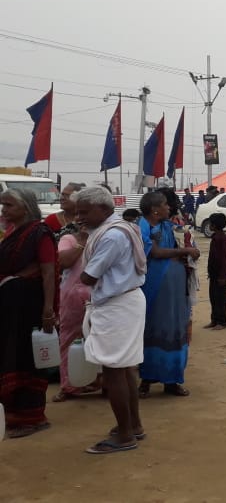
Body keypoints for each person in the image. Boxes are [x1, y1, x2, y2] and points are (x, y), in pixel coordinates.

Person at [76, 186, 148, 454]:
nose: (80, 217)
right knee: (124, 367)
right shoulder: (118, 229)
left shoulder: (111, 236)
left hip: (117, 304)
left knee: (113, 370)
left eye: (85, 212)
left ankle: (125, 435)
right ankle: (133, 426)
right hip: (124, 301)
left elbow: (88, 276)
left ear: (104, 209)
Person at [0, 188, 57, 439]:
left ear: (25, 207)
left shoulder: (39, 233)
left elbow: (48, 272)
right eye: (3, 205)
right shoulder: (11, 232)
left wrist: (48, 310)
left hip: (29, 307)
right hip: (10, 306)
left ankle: (32, 417)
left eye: (9, 205)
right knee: (9, 355)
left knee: (26, 358)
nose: (4, 210)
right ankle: (12, 414)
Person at [137, 190, 199, 398]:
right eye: (165, 204)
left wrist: (190, 248)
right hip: (154, 286)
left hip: (175, 288)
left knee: (176, 328)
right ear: (155, 210)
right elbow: (154, 252)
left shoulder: (170, 226)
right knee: (151, 327)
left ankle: (172, 380)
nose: (169, 207)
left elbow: (185, 244)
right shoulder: (142, 227)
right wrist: (184, 252)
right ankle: (146, 379)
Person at [53, 190, 102, 402]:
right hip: (72, 297)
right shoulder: (69, 238)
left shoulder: (105, 238)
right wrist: (81, 241)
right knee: (69, 340)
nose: (82, 221)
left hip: (99, 295)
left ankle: (101, 382)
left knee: (101, 339)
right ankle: (68, 385)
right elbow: (63, 262)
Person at [204, 213, 226, 330]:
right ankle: (214, 320)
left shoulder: (223, 239)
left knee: (220, 298)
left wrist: (223, 276)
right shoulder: (215, 237)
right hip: (214, 274)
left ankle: (222, 321)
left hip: (220, 275)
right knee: (213, 297)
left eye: (211, 224)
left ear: (214, 226)